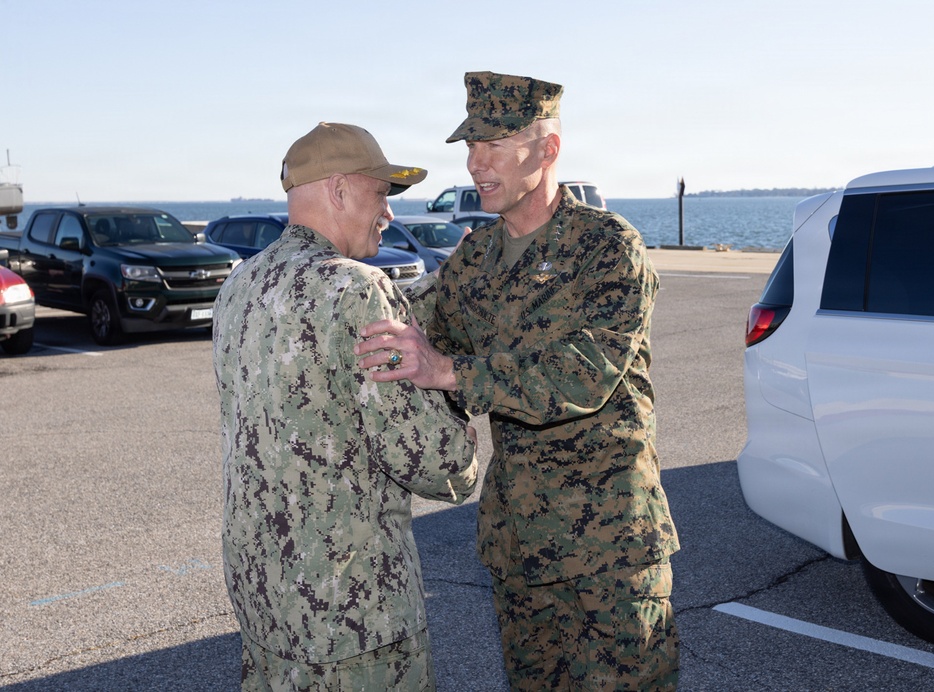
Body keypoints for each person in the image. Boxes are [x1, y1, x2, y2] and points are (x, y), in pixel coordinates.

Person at [355, 72, 681, 690]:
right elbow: (412, 323)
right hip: (519, 545)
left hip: (607, 549)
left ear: (547, 150)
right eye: (470, 148)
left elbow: (585, 373)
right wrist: (322, 282)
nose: (476, 164)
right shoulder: (474, 259)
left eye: (494, 146)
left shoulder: (607, 248)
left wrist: (448, 371)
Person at [213, 121, 478, 691]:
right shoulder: (356, 287)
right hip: (353, 616)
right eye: (381, 193)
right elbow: (441, 467)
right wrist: (454, 388)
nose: (388, 213)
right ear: (337, 191)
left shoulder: (240, 285)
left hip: (267, 603)